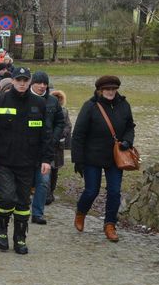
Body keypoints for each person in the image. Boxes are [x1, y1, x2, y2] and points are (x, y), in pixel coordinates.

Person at [0, 67, 53, 255]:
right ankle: (1, 229)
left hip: (28, 162)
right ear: (12, 81)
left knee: (23, 203)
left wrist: (46, 159)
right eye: (19, 80)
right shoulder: (0, 101)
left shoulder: (39, 104)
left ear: (29, 81)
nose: (22, 83)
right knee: (6, 197)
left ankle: (20, 237)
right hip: (3, 161)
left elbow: (45, 134)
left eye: (25, 80)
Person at [71, 75, 135, 242]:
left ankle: (110, 225)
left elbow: (130, 126)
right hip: (92, 157)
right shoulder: (90, 107)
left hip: (116, 157)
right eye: (107, 89)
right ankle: (81, 212)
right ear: (100, 90)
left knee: (114, 192)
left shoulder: (124, 105)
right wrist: (77, 159)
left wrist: (128, 141)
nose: (110, 92)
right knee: (92, 190)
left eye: (113, 89)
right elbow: (78, 135)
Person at [29, 71, 65, 225]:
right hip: (25, 148)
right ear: (32, 83)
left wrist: (54, 138)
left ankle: (37, 213)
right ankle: (21, 210)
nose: (42, 86)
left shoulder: (52, 101)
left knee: (44, 182)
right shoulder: (25, 99)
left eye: (45, 84)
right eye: (39, 83)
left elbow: (60, 121)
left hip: (46, 149)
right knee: (24, 182)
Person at [47, 90, 71, 204]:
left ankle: (51, 191)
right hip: (47, 143)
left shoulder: (64, 111)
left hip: (58, 145)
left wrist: (62, 133)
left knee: (55, 169)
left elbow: (68, 126)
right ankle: (46, 193)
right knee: (46, 169)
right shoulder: (47, 110)